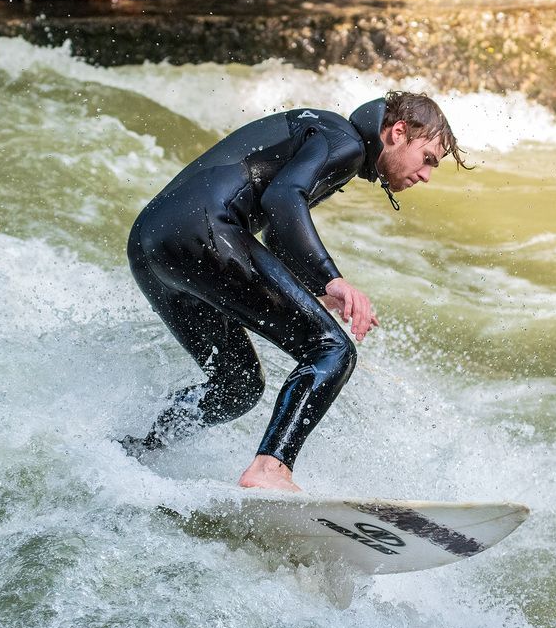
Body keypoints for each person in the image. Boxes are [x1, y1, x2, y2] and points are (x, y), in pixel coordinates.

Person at [120, 91, 468, 491]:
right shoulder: (348, 142)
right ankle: (270, 469)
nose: (426, 176)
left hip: (151, 244)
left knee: (237, 386)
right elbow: (285, 198)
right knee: (331, 350)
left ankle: (137, 451)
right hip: (202, 232)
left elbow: (275, 222)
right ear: (398, 132)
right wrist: (331, 277)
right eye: (428, 159)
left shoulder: (324, 132)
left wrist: (317, 290)